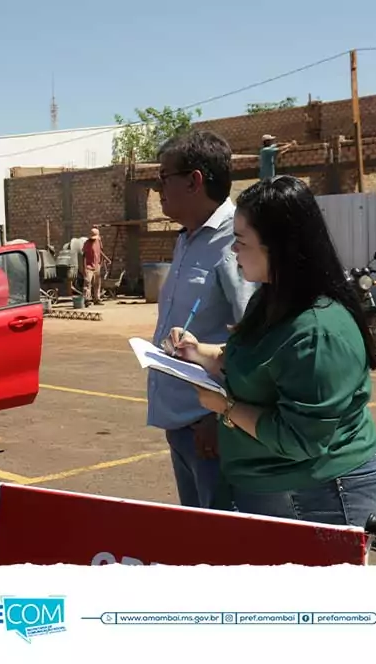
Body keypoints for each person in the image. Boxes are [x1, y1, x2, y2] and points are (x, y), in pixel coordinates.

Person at [165, 176, 376, 527]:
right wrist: (197, 352)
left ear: (279, 248)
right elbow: (255, 360)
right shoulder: (269, 298)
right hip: (271, 485)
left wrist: (225, 407)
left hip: (321, 495)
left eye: (241, 242)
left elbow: (300, 438)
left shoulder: (317, 332)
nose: (233, 251)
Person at [147, 130, 258, 509]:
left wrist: (223, 416)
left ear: (194, 181)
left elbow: (255, 340)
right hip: (183, 423)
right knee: (196, 531)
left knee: (223, 536)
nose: (158, 189)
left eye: (164, 177)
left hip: (212, 429)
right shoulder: (187, 238)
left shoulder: (235, 241)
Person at [82, 227, 105, 305]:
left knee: (97, 283)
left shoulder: (99, 241)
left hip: (97, 266)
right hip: (89, 266)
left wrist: (100, 263)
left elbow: (101, 251)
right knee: (87, 283)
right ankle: (87, 300)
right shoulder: (87, 243)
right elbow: (84, 256)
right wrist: (84, 268)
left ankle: (97, 299)